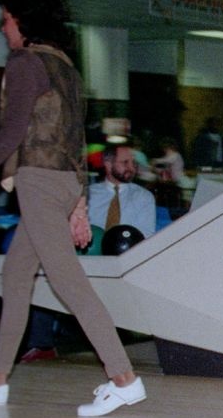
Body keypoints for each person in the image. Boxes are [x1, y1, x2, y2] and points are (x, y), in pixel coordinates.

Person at [0, 0, 147, 417]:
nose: (2, 28)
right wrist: (77, 204)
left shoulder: (24, 63)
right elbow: (76, 144)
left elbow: (12, 132)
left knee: (67, 280)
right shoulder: (67, 69)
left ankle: (124, 378)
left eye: (6, 19)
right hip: (64, 182)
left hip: (36, 180)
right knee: (16, 278)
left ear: (23, 20)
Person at [21, 143, 159, 363]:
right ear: (107, 164)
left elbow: (146, 237)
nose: (131, 167)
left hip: (124, 266)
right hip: (87, 263)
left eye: (132, 163)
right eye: (125, 162)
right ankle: (41, 345)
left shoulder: (143, 197)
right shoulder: (85, 196)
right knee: (44, 278)